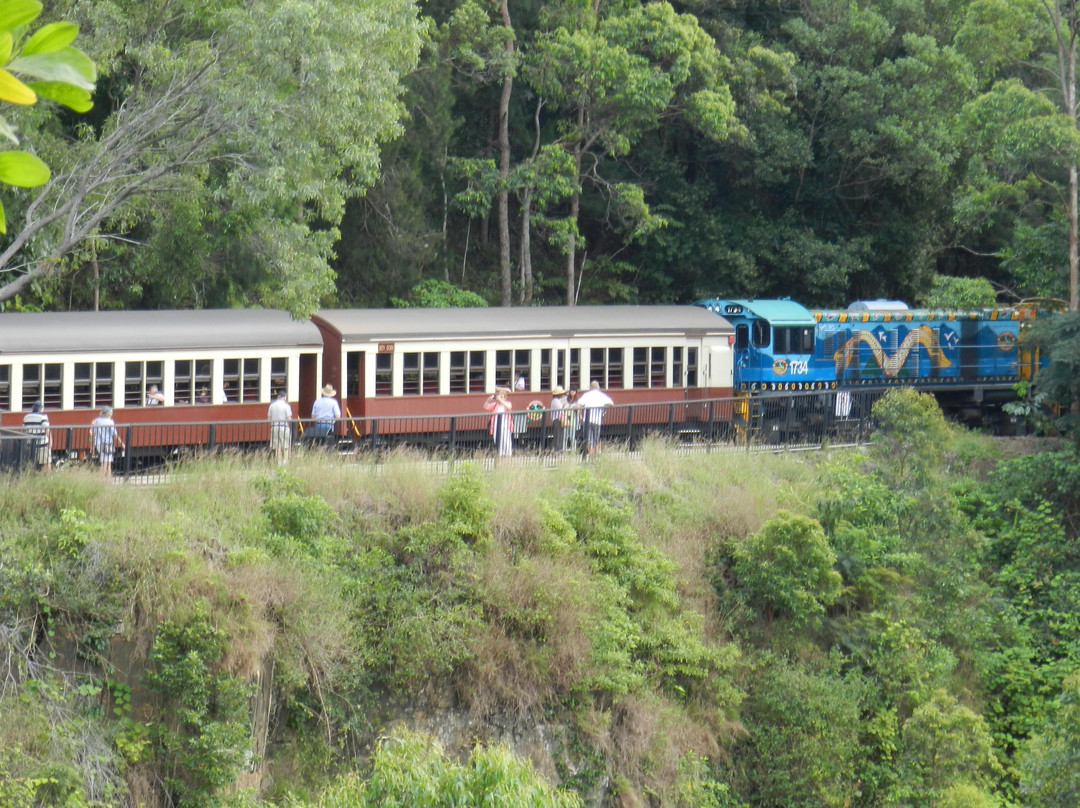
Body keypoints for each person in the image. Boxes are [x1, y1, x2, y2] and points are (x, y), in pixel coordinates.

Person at [574, 380, 614, 459]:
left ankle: (591, 456)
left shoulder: (586, 395)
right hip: (597, 420)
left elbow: (577, 406)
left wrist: (579, 411)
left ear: (590, 387)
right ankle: (595, 457)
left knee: (589, 440)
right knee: (596, 439)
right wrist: (604, 407)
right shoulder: (602, 395)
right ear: (598, 387)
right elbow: (611, 404)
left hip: (587, 420)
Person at [91, 406, 124, 479]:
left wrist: (92, 446)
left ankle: (106, 481)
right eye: (111, 413)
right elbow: (114, 435)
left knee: (106, 462)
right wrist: (122, 444)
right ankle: (103, 481)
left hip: (98, 443)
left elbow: (93, 434)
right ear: (108, 414)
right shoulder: (110, 422)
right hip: (107, 444)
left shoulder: (96, 421)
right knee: (106, 464)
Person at [22, 400, 51, 471]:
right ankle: (47, 478)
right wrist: (50, 441)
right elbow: (47, 429)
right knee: (46, 463)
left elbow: (23, 430)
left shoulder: (26, 417)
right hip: (42, 444)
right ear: (40, 408)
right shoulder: (43, 416)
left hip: (30, 444)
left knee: (31, 463)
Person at [484, 386, 513, 458]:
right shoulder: (495, 405)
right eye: (499, 397)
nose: (500, 398)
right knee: (497, 440)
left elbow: (509, 407)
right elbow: (485, 407)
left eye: (502, 397)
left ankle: (508, 455)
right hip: (496, 425)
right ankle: (499, 454)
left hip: (506, 425)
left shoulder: (507, 403)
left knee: (506, 440)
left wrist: (501, 400)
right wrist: (488, 400)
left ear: (505, 398)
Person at [267, 389, 293, 464]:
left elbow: (268, 419)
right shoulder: (286, 406)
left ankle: (278, 462)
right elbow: (289, 418)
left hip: (274, 427)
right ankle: (285, 461)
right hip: (284, 427)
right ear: (284, 397)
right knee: (285, 445)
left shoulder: (272, 405)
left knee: (276, 446)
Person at [550, 385, 571, 452]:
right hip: (557, 420)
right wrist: (565, 405)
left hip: (559, 419)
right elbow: (561, 408)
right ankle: (557, 450)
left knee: (559, 435)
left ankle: (557, 449)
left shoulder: (557, 400)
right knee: (558, 436)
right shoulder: (555, 401)